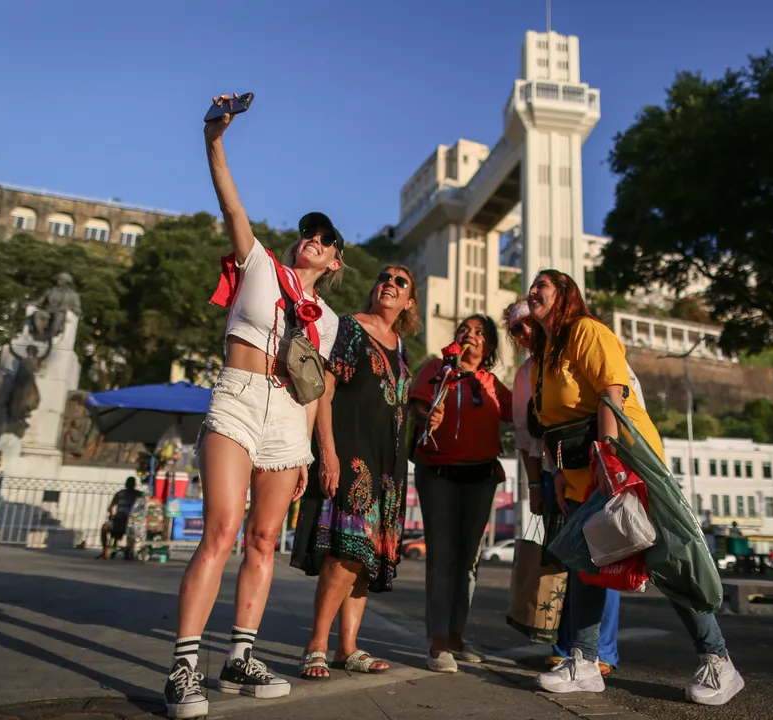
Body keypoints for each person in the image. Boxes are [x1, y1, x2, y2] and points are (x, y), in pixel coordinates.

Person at [163, 94, 344, 719]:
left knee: (264, 540)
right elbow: (230, 201)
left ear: (335, 260)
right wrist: (215, 140)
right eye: (309, 233)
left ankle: (240, 657)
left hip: (286, 421)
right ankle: (184, 669)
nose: (311, 241)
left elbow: (314, 389)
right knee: (221, 531)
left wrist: (310, 453)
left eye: (324, 240)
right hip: (238, 398)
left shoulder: (330, 321)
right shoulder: (261, 263)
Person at [526, 270, 744, 706]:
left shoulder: (587, 331)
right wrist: (563, 477)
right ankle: (585, 661)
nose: (532, 292)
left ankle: (720, 663)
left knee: (668, 557)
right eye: (531, 286)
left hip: (625, 461)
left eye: (541, 286)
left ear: (565, 295)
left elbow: (612, 393)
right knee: (588, 564)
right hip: (583, 473)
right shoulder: (546, 351)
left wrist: (609, 460)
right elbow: (551, 426)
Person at [291, 265, 420, 679]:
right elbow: (324, 392)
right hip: (353, 457)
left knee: (367, 558)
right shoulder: (349, 329)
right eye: (385, 277)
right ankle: (316, 644)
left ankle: (348, 648)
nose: (390, 284)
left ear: (409, 302)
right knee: (346, 551)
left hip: (389, 468)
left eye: (401, 282)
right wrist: (326, 453)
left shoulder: (401, 347)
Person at [504, 300, 620, 675]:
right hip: (560, 474)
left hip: (601, 464)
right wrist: (538, 482)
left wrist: (612, 458)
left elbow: (616, 398)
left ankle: (600, 651)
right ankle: (566, 645)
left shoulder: (578, 349)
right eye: (516, 330)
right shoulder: (525, 375)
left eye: (527, 324)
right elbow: (528, 437)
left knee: (608, 556)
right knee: (564, 557)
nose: (524, 333)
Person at [409, 314, 512, 673]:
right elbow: (416, 405)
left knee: (469, 561)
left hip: (481, 477)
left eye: (480, 332)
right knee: (443, 558)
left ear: (490, 348)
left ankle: (456, 636)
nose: (470, 335)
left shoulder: (492, 383)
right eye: (465, 330)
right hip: (438, 473)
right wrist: (426, 417)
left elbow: (524, 414)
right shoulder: (437, 369)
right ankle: (437, 643)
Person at [97, 476, 142, 560]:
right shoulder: (120, 493)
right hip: (118, 519)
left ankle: (129, 551)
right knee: (105, 527)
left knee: (133, 530)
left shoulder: (138, 495)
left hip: (132, 520)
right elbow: (111, 506)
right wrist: (112, 515)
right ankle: (104, 551)